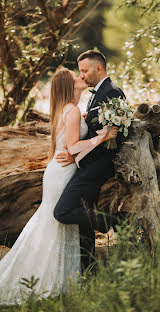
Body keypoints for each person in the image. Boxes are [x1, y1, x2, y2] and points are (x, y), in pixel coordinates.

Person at [0, 68, 117, 305]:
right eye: (76, 77)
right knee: (56, 221)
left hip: (58, 170)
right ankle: (46, 280)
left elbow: (69, 144)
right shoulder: (71, 110)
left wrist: (82, 128)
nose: (80, 77)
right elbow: (73, 147)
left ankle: (53, 277)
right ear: (68, 86)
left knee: (52, 223)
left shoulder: (67, 110)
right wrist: (104, 137)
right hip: (62, 173)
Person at [54, 50, 127, 270]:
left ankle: (119, 220)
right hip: (86, 161)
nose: (82, 75)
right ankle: (86, 265)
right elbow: (95, 128)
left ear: (99, 68)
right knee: (84, 213)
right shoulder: (97, 94)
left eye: (85, 70)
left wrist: (76, 151)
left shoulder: (112, 92)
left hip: (97, 164)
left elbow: (116, 133)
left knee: (66, 211)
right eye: (80, 72)